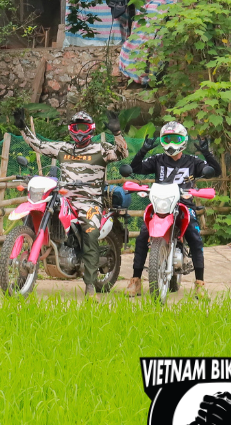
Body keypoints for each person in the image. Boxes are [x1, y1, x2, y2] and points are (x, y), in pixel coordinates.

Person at [16, 108, 128, 299]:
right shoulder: (63, 148)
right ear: (70, 129)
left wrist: (117, 133)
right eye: (76, 127)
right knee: (38, 213)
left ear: (90, 129)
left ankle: (90, 285)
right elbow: (39, 145)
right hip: (64, 197)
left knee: (90, 233)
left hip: (89, 201)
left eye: (83, 127)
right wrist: (22, 127)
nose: (79, 131)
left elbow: (122, 153)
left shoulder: (100, 149)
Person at [125, 121, 219, 299]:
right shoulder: (157, 160)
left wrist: (207, 153)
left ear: (183, 140)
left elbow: (215, 171)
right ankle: (136, 280)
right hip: (160, 203)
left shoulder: (192, 161)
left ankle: (200, 284)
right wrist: (143, 150)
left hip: (184, 204)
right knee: (143, 235)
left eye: (175, 139)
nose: (171, 144)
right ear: (161, 140)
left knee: (194, 236)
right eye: (167, 139)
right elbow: (136, 168)